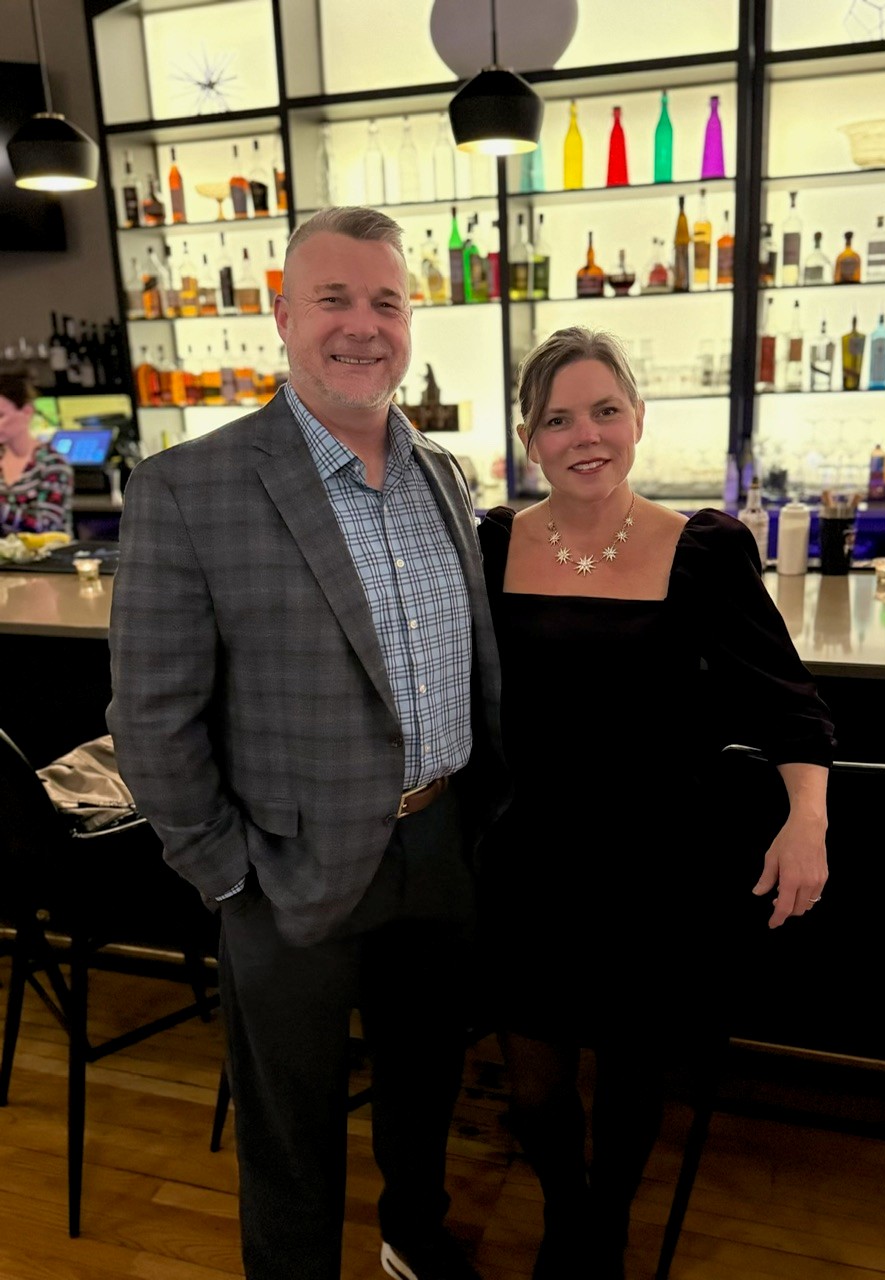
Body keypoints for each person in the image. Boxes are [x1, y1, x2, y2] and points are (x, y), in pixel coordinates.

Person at [106, 206, 509, 1280]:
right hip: (283, 867)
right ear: (283, 317)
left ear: (411, 319)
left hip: (439, 843)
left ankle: (412, 1240)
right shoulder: (188, 488)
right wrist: (226, 873)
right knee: (291, 1129)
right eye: (333, 298)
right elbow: (149, 714)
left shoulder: (446, 477)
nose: (361, 325)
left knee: (426, 1087)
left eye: (385, 300)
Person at [476, 326, 835, 1280]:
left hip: (655, 861)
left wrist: (809, 822)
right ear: (529, 437)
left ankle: (607, 1225)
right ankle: (565, 1207)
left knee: (633, 1073)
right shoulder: (494, 541)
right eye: (557, 419)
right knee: (538, 1079)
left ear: (639, 418)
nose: (583, 435)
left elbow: (789, 702)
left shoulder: (704, 548)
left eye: (603, 411)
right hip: (528, 855)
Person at [0, 370, 72, 537]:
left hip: (47, 560)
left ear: (26, 412)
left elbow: (46, 524)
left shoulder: (52, 463)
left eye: (1, 415)